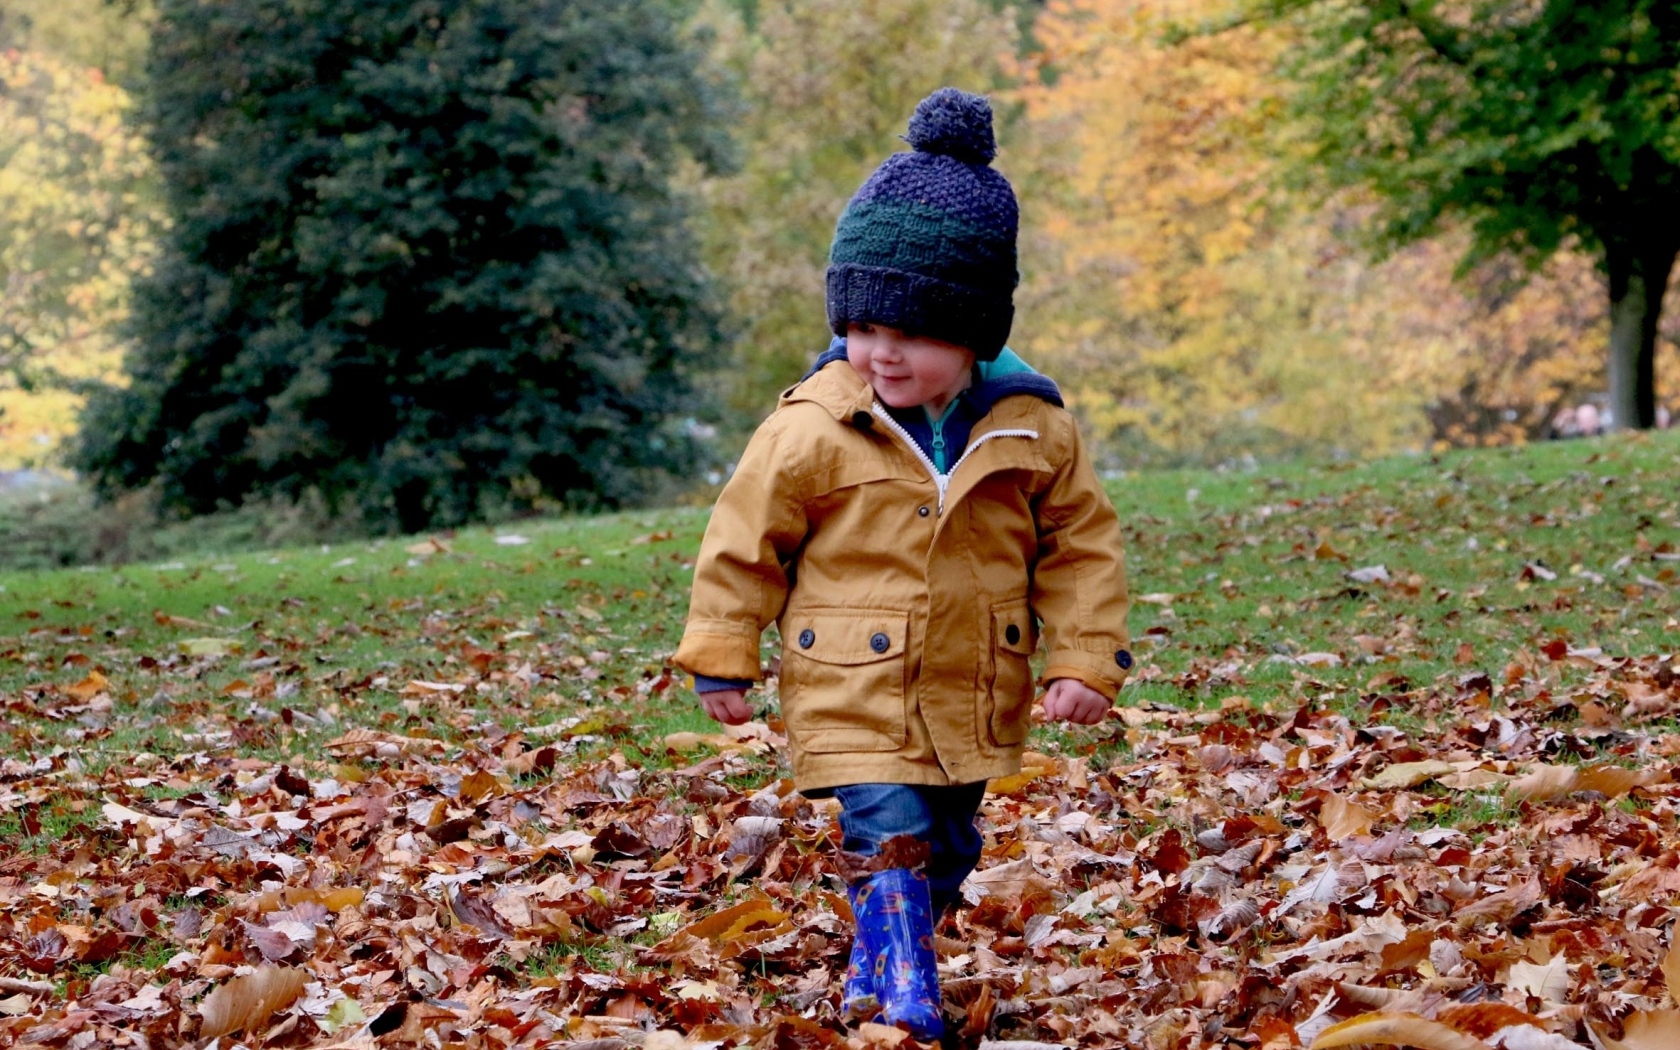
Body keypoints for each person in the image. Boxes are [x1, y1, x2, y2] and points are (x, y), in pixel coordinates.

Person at [673, 87, 1132, 1040]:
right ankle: (910, 990)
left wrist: (1085, 660)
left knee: (952, 843)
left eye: (911, 333)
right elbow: (745, 533)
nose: (881, 352)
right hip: (849, 679)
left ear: (972, 333)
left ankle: (877, 961)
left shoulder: (1032, 426)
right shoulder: (814, 425)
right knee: (889, 829)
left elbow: (1080, 547)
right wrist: (723, 647)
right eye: (864, 327)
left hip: (973, 687)